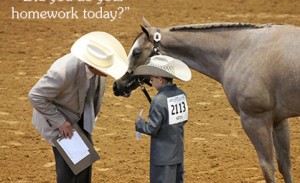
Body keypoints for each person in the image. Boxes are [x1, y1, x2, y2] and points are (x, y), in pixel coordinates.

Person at [28, 31, 128, 183]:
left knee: (85, 163)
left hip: (80, 116)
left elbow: (93, 97)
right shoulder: (62, 72)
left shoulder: (100, 72)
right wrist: (60, 122)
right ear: (93, 65)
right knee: (68, 169)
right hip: (58, 118)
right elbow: (35, 95)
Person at [134, 55, 192, 183]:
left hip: (162, 158)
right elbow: (183, 120)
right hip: (177, 154)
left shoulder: (158, 100)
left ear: (160, 79)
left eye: (152, 78)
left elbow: (152, 129)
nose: (150, 80)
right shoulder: (181, 95)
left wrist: (139, 124)